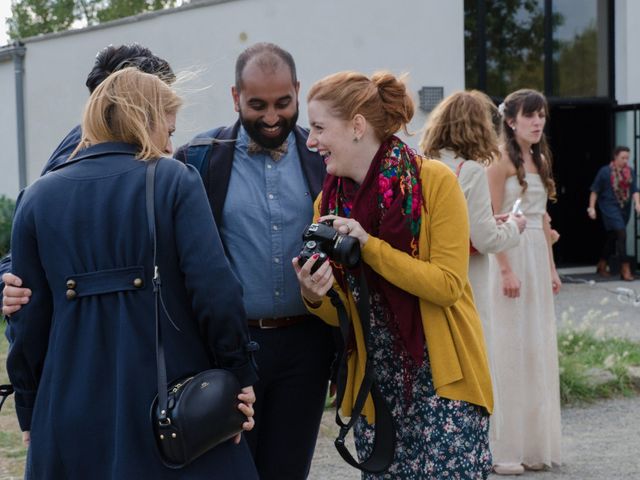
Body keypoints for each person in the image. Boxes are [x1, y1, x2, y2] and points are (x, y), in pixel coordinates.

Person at [6, 68, 258, 479]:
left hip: (67, 403)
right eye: (169, 131)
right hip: (167, 407)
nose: (170, 145)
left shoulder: (35, 200)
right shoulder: (174, 181)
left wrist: (30, 407)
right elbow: (217, 292)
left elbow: (27, 321)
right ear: (146, 121)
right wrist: (238, 374)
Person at [293, 71, 494, 479]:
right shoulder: (327, 203)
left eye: (318, 128)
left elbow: (448, 286)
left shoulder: (434, 181)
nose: (310, 141)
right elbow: (342, 313)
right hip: (375, 386)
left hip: (441, 380)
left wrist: (370, 247)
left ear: (357, 126)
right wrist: (314, 295)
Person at [173, 43, 335, 480]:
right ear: (235, 97)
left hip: (308, 346)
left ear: (298, 91)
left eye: (283, 103)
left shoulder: (326, 157)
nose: (271, 117)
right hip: (231, 350)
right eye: (257, 104)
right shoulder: (197, 159)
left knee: (288, 470)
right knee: (231, 471)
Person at [1, 43, 174, 312]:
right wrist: (9, 284)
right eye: (158, 100)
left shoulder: (118, 150)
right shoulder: (78, 152)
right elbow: (33, 244)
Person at [419, 90, 526, 445]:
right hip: (466, 275)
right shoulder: (471, 171)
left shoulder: (423, 164)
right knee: (472, 356)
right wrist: (513, 227)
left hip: (428, 274)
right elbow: (484, 240)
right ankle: (473, 443)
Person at [486, 89, 562, 475]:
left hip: (535, 252)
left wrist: (550, 268)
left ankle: (535, 444)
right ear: (511, 120)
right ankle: (504, 448)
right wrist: (504, 269)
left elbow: (544, 219)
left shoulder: (542, 158)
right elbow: (490, 217)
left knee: (535, 345)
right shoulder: (498, 161)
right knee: (509, 346)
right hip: (510, 253)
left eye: (542, 116)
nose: (537, 122)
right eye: (530, 116)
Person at [587, 146, 640, 281]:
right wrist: (591, 207)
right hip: (609, 207)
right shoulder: (605, 172)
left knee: (612, 237)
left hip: (624, 208)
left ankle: (602, 264)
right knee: (621, 233)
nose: (625, 160)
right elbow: (595, 190)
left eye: (627, 158)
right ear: (615, 157)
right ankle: (625, 269)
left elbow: (634, 190)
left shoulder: (630, 172)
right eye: (622, 158)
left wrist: (637, 204)